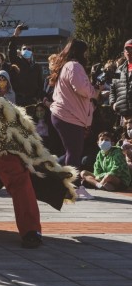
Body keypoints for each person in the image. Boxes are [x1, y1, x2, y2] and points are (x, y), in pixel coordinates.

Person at [49, 39, 102, 199]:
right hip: (68, 116)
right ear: (79, 52)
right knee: (74, 152)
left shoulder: (67, 65)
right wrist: (95, 91)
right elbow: (81, 88)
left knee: (72, 152)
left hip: (65, 114)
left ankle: (47, 169)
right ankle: (73, 188)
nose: (86, 55)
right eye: (85, 52)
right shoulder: (74, 66)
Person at [8, 24, 44, 106]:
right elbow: (11, 52)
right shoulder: (17, 62)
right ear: (20, 51)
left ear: (32, 52)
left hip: (33, 101)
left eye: (29, 49)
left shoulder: (36, 67)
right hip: (19, 101)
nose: (26, 50)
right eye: (24, 49)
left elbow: (40, 84)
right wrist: (15, 35)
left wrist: (38, 97)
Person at [109, 39, 132, 121]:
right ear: (124, 52)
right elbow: (112, 88)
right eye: (127, 49)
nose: (129, 51)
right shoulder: (118, 70)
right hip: (123, 116)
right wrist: (113, 103)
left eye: (131, 49)